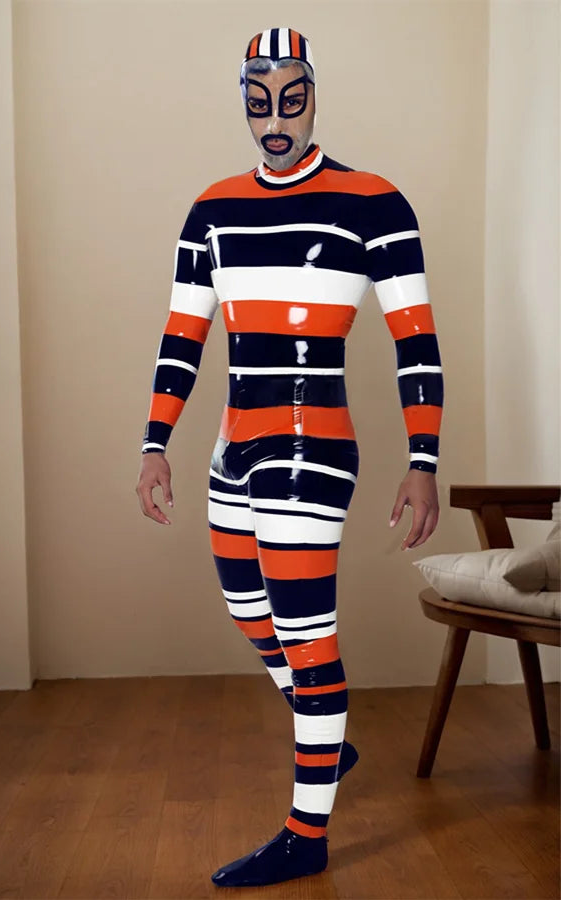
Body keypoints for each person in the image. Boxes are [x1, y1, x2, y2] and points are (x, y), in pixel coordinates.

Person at [136, 26, 443, 888]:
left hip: (312, 445)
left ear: (313, 99)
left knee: (309, 638)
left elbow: (416, 343)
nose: (275, 121)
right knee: (249, 608)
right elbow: (182, 334)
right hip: (234, 444)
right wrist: (155, 443)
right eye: (258, 102)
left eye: (291, 101)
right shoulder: (213, 208)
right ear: (243, 103)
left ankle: (307, 836)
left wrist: (423, 459)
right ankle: (328, 737)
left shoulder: (374, 202)